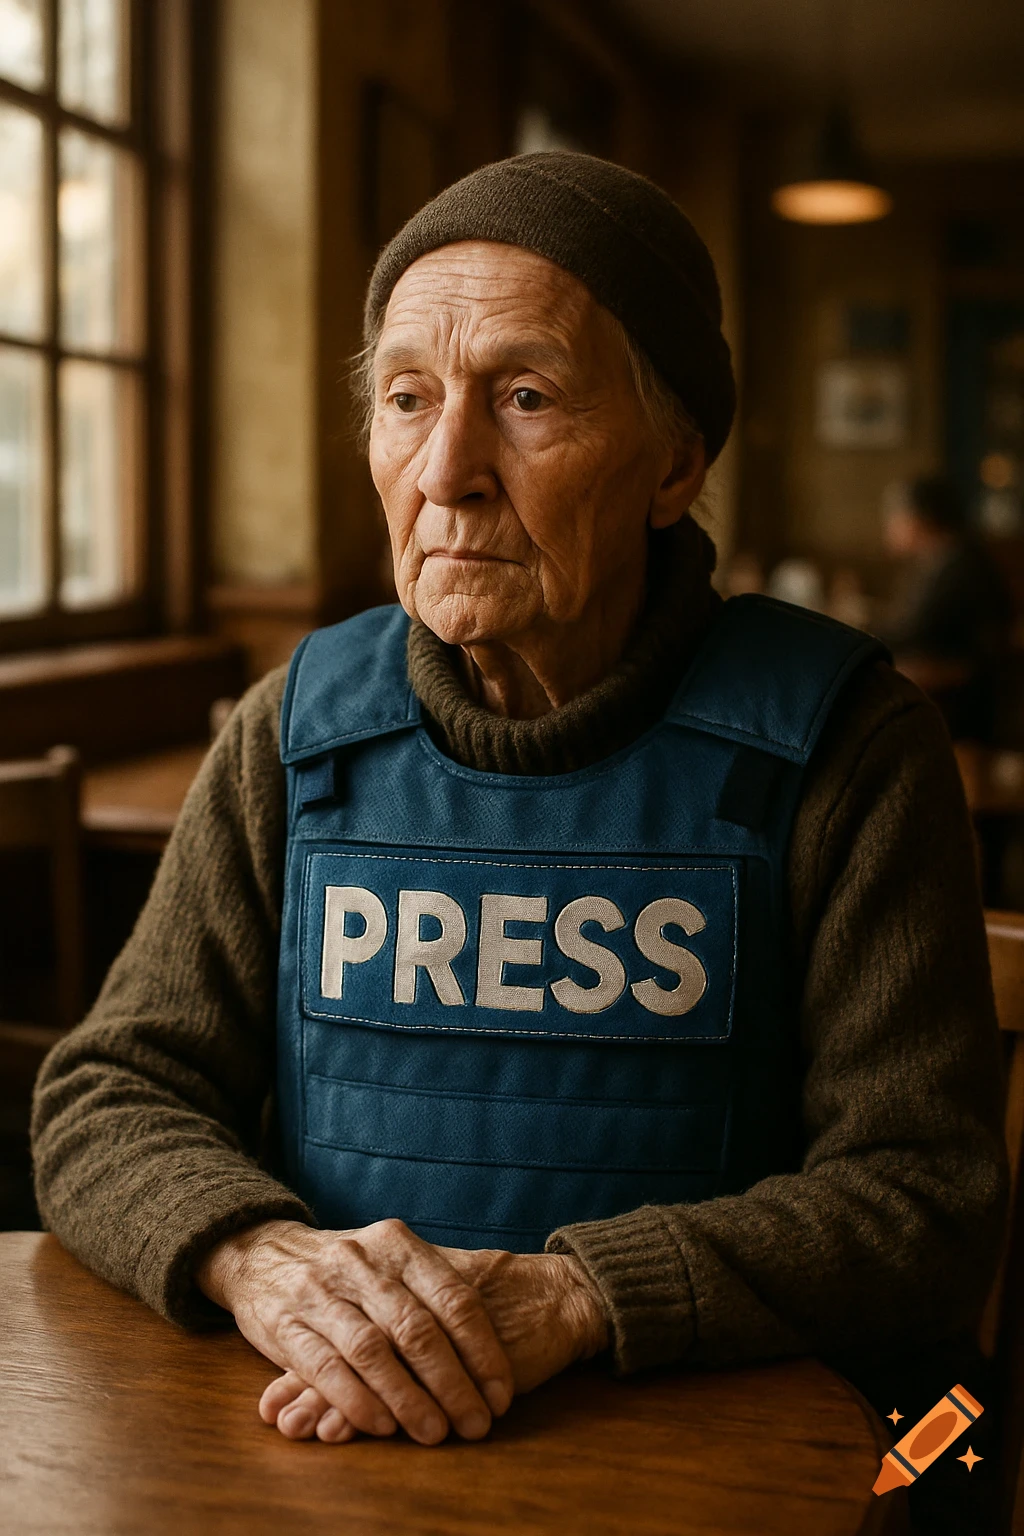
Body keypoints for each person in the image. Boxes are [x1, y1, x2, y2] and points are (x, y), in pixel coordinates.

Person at [33, 154, 1005, 1532]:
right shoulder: (295, 729)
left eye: (528, 398)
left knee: (945, 1475)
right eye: (406, 399)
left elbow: (926, 1203)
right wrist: (260, 1259)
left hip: (740, 1456)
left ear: (674, 463)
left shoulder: (848, 742)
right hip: (330, 1453)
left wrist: (576, 1294)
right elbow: (106, 1092)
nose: (447, 473)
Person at [880, 475, 1013, 739]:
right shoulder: (946, 558)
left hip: (968, 697)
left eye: (895, 516)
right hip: (964, 682)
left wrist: (854, 629)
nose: (889, 526)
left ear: (921, 519)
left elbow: (912, 629)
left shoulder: (958, 565)